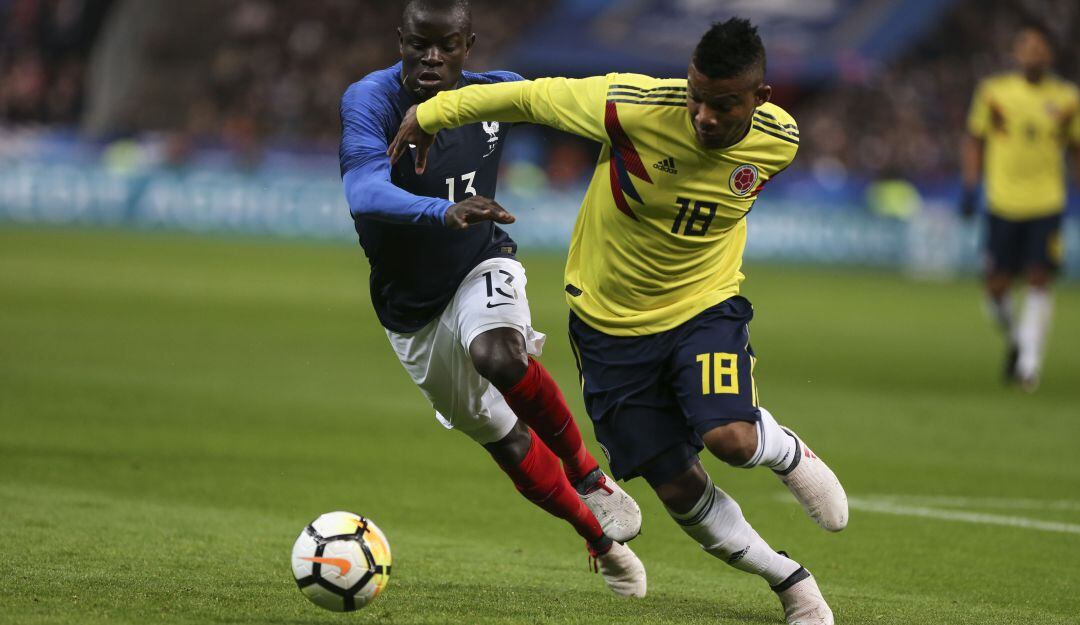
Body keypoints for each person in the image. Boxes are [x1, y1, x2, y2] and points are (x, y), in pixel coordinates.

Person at [390, 16, 847, 625]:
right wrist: (432, 113)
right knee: (677, 487)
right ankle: (790, 582)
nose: (704, 116)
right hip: (608, 327)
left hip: (701, 307)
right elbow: (530, 97)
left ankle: (786, 454)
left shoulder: (779, 140)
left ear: (760, 98)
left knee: (730, 439)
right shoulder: (630, 106)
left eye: (723, 105)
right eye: (696, 97)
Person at [338, 0, 645, 596]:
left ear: (468, 46)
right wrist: (444, 210)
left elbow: (585, 103)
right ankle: (599, 541)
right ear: (400, 40)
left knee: (499, 356)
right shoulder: (371, 100)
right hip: (411, 311)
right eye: (419, 44)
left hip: (481, 261)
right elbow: (363, 192)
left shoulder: (495, 93)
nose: (431, 58)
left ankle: (588, 475)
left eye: (446, 46)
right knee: (506, 440)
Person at [961, 22, 1079, 391]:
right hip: (1002, 201)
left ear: (1050, 54)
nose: (1033, 54)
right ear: (1016, 53)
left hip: (1047, 201)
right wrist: (970, 186)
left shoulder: (1067, 99)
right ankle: (1016, 338)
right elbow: (975, 139)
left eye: (1039, 48)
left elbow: (1076, 148)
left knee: (1039, 279)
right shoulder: (994, 93)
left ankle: (1028, 367)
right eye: (1027, 47)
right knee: (995, 288)